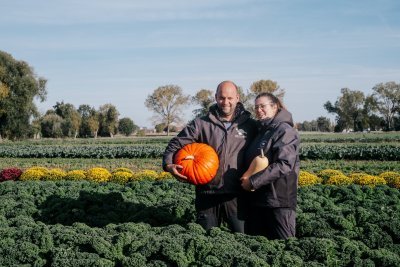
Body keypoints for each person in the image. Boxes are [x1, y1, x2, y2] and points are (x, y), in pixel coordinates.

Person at [162, 80, 257, 233]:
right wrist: (168, 165)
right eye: (221, 97)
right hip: (207, 193)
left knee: (243, 238)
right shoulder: (201, 124)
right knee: (205, 238)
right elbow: (176, 144)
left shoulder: (250, 125)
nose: (225, 102)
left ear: (237, 98)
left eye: (230, 98)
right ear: (215, 97)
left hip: (238, 195)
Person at [241, 92, 300, 239]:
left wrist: (253, 182)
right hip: (260, 200)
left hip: (279, 200)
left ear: (274, 107)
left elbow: (284, 164)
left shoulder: (285, 130)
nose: (258, 110)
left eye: (262, 106)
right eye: (256, 107)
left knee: (285, 245)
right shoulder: (262, 131)